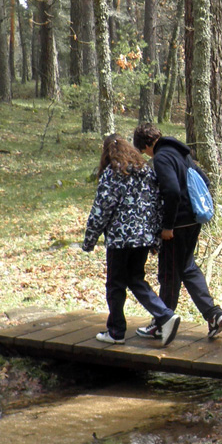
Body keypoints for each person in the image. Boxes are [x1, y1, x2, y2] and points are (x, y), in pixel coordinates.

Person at [82, 135, 181, 346]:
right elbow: (157, 205)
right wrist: (155, 238)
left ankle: (116, 332)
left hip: (120, 240)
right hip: (143, 238)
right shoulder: (147, 173)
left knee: (115, 284)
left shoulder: (112, 174)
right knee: (136, 279)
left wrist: (90, 239)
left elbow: (102, 209)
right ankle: (165, 315)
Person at [132, 124, 222, 340]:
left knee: (168, 274)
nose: (145, 154)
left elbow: (172, 191)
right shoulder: (180, 153)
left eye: (144, 150)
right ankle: (214, 315)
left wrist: (167, 226)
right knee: (188, 268)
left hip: (177, 226)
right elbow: (205, 181)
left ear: (148, 144)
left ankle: (162, 322)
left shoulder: (162, 158)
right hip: (193, 221)